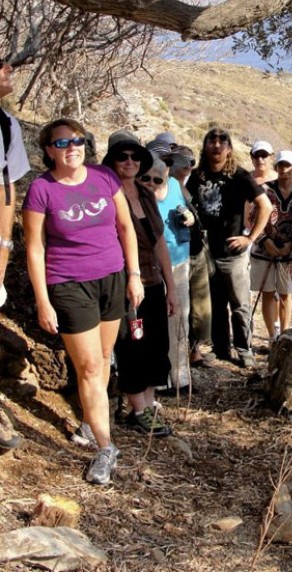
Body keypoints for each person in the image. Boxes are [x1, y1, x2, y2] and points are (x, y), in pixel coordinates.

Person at [22, 119, 144, 485]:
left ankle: (91, 424)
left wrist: (134, 275)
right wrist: (43, 300)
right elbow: (34, 247)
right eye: (62, 143)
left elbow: (125, 228)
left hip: (112, 278)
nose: (72, 147)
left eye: (77, 140)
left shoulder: (103, 178)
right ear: (48, 150)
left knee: (103, 359)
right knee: (89, 367)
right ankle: (106, 448)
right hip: (70, 284)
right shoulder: (41, 190)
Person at [102, 131, 177, 436]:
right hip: (123, 284)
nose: (130, 162)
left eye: (135, 156)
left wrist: (171, 287)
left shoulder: (145, 195)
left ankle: (148, 402)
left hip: (152, 282)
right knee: (132, 345)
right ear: (112, 161)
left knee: (156, 344)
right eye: (122, 156)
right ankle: (138, 410)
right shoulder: (106, 196)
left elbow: (159, 242)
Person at [186, 126, 271, 368]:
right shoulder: (197, 176)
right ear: (205, 147)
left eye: (222, 141)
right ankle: (221, 348)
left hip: (233, 253)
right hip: (205, 251)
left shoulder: (240, 176)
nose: (216, 144)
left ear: (229, 149)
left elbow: (265, 206)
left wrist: (250, 238)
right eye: (211, 140)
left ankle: (244, 350)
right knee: (215, 304)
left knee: (240, 305)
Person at [139, 154, 192, 390]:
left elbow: (190, 210)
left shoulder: (175, 187)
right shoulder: (132, 195)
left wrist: (190, 217)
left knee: (179, 319)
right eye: (146, 178)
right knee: (151, 324)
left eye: (157, 179)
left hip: (178, 261)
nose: (151, 183)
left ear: (167, 175)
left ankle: (180, 376)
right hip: (147, 268)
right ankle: (157, 378)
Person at [0, 57, 31, 451]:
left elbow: (7, 192)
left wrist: (5, 247)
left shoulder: (7, 125)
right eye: (1, 64)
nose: (9, 69)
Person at [250, 150, 292, 341]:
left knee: (285, 293)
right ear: (276, 167)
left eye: (288, 165)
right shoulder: (264, 189)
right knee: (267, 292)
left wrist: (290, 244)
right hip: (263, 249)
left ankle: (284, 334)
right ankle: (271, 337)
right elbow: (253, 217)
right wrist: (264, 241)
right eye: (281, 165)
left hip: (288, 252)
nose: (284, 169)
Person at [169, 145, 213, 367]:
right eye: (184, 161)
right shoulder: (165, 186)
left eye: (191, 161)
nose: (188, 166)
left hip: (195, 250)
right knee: (183, 307)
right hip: (177, 255)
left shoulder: (189, 185)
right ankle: (181, 358)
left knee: (200, 306)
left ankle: (195, 350)